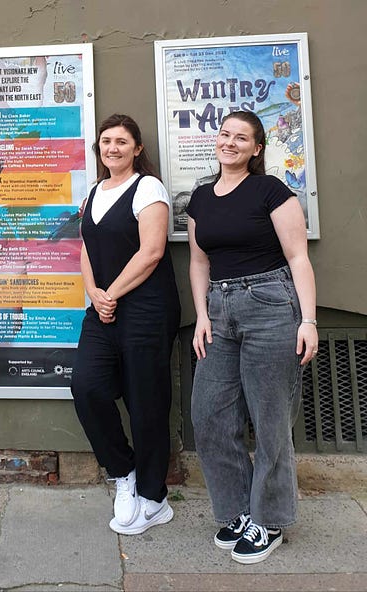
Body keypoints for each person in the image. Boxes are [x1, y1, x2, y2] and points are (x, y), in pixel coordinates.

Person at [187, 110, 318, 564]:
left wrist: (309, 321)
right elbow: (199, 262)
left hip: (270, 306)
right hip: (219, 312)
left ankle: (270, 520)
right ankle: (239, 510)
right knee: (208, 415)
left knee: (270, 418)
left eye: (241, 138)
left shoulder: (272, 191)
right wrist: (202, 316)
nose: (231, 142)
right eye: (225, 134)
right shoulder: (201, 199)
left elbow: (298, 257)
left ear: (256, 149)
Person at [71, 114, 181, 535]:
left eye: (121, 141)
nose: (112, 148)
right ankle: (124, 473)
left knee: (146, 400)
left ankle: (154, 498)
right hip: (103, 308)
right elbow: (86, 248)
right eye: (105, 141)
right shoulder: (94, 192)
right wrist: (94, 293)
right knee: (86, 385)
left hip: (147, 310)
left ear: (137, 149)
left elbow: (152, 252)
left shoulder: (148, 188)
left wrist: (110, 294)